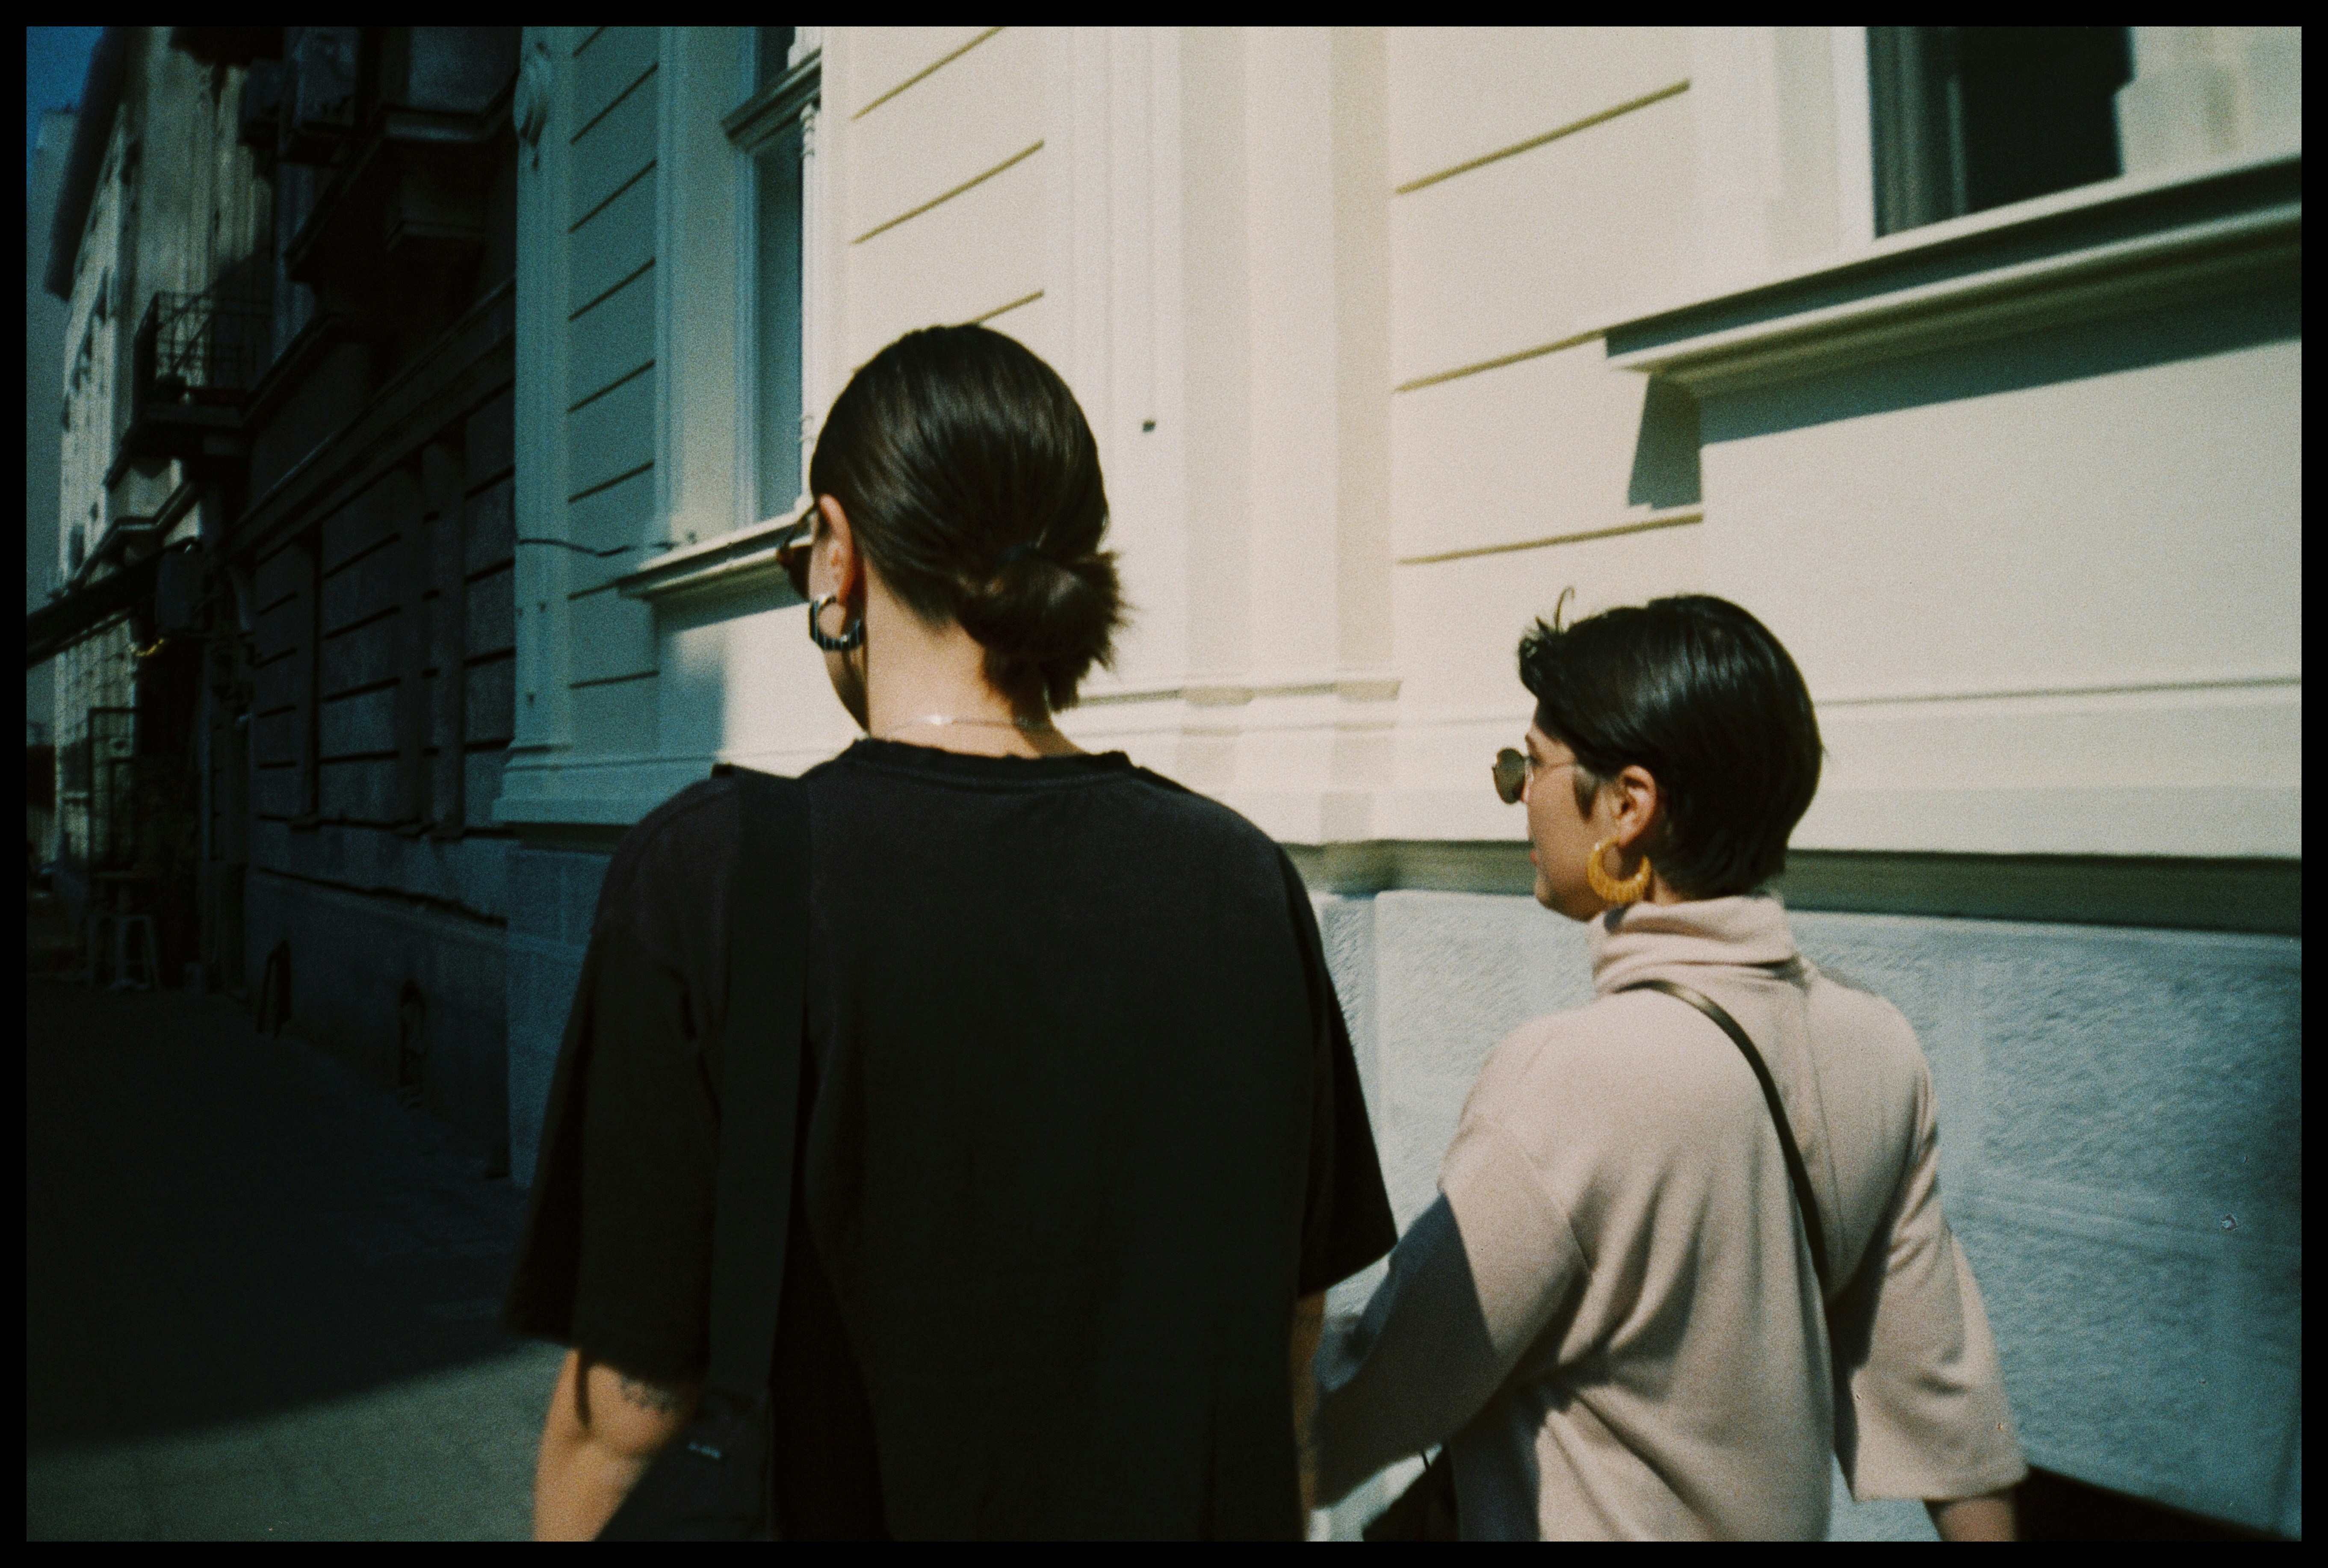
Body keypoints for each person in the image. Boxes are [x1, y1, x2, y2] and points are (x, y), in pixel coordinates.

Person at [504, 324, 1397, 1539]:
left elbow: (619, 1423)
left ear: (837, 555)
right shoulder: (1242, 880)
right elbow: (1284, 1368)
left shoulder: (715, 877)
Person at [1311, 594, 2026, 1540]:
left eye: (1528, 763)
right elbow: (1952, 1424)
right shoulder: (1877, 1046)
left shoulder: (1566, 1077)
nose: (1517, 794)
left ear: (1629, 806)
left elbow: (1375, 1393)